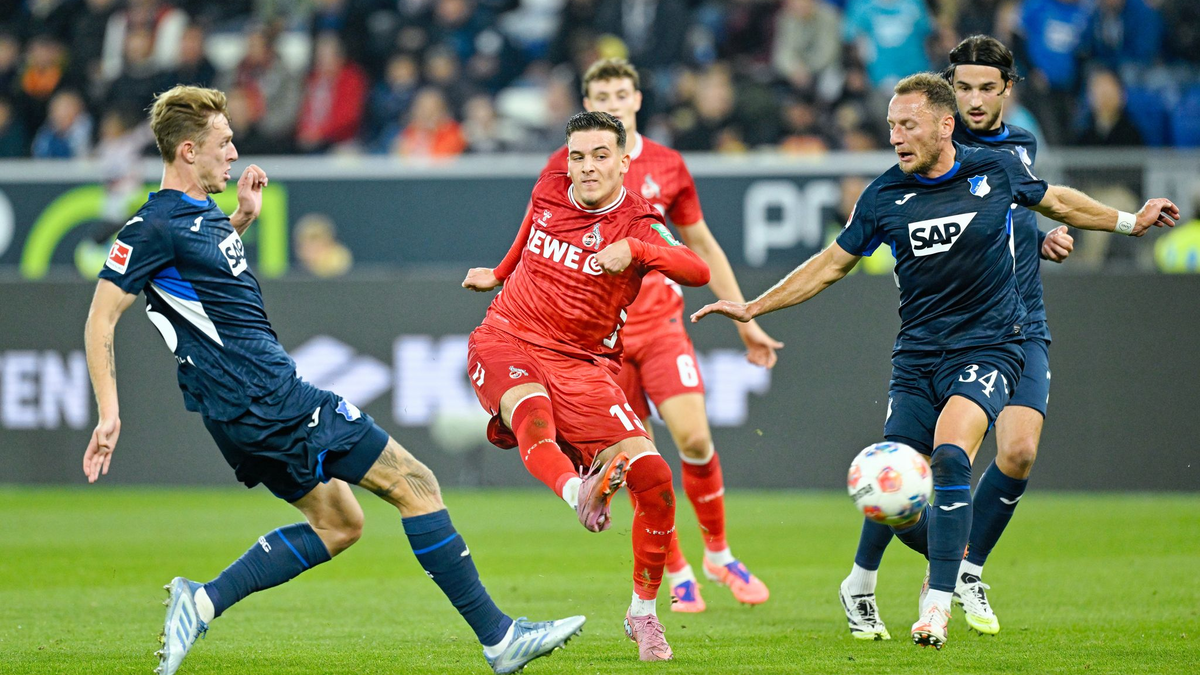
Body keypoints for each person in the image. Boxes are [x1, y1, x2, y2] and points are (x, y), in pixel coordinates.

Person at [82, 85, 584, 675]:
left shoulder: (200, 219)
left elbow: (202, 289)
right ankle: (500, 640)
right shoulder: (153, 225)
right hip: (267, 396)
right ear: (188, 151)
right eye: (223, 143)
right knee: (416, 483)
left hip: (240, 409)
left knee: (340, 523)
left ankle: (202, 600)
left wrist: (240, 221)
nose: (234, 151)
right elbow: (100, 317)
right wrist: (109, 413)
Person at [692, 72, 1176, 649]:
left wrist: (1129, 221)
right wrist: (753, 307)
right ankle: (863, 582)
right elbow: (830, 264)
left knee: (950, 456)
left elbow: (1059, 200)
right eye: (892, 125)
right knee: (893, 484)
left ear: (945, 126)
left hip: (991, 346)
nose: (896, 136)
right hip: (918, 355)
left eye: (908, 124)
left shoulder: (993, 171)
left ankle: (938, 605)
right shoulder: (883, 197)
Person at [489, 58, 781, 612]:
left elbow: (702, 247)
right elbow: (532, 234)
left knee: (694, 438)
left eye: (622, 92)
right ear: (586, 100)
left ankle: (718, 553)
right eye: (602, 93)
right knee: (636, 459)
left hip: (662, 325)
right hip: (599, 342)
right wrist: (502, 279)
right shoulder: (564, 165)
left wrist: (747, 317)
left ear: (638, 99)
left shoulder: (669, 165)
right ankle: (676, 571)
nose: (614, 101)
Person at [839, 34, 1078, 642]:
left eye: (986, 88)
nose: (974, 100)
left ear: (1007, 91)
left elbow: (1016, 210)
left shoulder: (1018, 147)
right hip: (956, 332)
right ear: (947, 99)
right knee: (920, 456)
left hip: (1022, 322)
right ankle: (897, 579)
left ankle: (964, 569)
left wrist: (1039, 238)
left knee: (1018, 451)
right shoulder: (931, 145)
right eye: (964, 86)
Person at [461, 110, 711, 661]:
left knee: (655, 476)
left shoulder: (640, 222)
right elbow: (529, 228)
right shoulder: (551, 186)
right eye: (577, 156)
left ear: (625, 162)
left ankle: (643, 615)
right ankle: (581, 492)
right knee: (531, 412)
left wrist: (640, 252)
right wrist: (500, 274)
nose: (587, 167)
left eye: (601, 156)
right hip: (508, 336)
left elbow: (697, 269)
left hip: (583, 365)